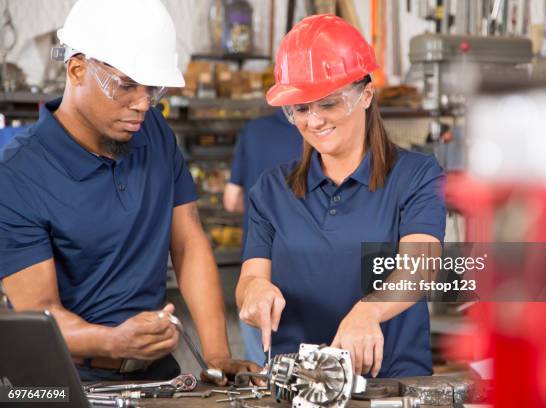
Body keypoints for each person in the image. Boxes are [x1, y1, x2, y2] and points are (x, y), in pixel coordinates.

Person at [0, 0, 259, 382]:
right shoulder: (18, 175)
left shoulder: (153, 132)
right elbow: (40, 313)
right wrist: (112, 342)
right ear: (76, 69)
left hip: (159, 376)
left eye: (152, 89)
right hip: (71, 382)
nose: (142, 104)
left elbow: (188, 242)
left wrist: (218, 354)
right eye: (126, 85)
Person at [235, 14, 446, 378]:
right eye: (300, 108)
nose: (314, 121)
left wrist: (369, 311)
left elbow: (421, 269)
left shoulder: (416, 176)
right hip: (299, 387)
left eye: (328, 104)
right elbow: (250, 280)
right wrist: (253, 293)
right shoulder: (271, 190)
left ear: (365, 95)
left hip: (391, 386)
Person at [224, 109, 303, 365]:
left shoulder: (254, 130)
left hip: (259, 265)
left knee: (263, 376)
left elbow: (231, 200)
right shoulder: (325, 133)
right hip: (272, 275)